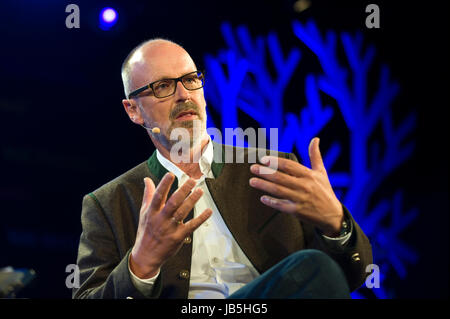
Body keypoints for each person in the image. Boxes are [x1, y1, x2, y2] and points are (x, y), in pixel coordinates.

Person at [72, 38, 372, 299]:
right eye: (163, 86)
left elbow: (349, 279)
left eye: (190, 79)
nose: (184, 95)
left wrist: (337, 225)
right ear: (133, 110)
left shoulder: (274, 169)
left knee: (314, 267)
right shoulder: (108, 203)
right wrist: (140, 266)